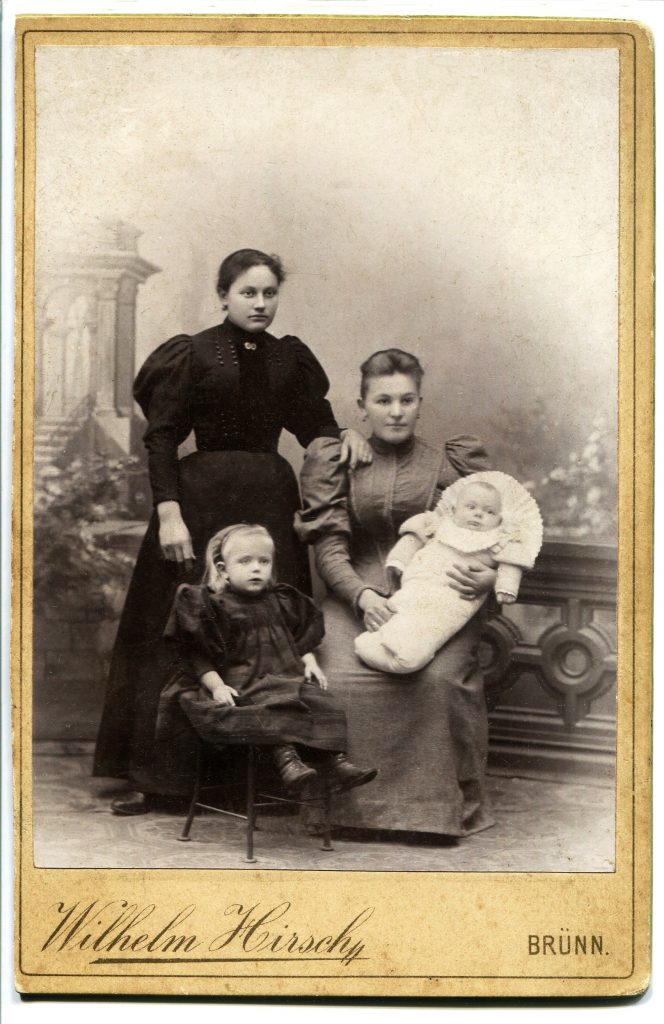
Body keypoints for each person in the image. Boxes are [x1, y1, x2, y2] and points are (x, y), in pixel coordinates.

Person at [93, 248, 370, 814]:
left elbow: (313, 424)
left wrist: (344, 433)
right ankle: (159, 777)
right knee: (180, 625)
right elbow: (162, 436)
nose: (260, 303)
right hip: (198, 502)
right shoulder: (192, 353)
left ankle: (269, 776)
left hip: (268, 504)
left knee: (267, 629)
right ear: (223, 295)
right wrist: (169, 512)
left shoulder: (288, 358)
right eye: (248, 292)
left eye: (269, 293)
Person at [295, 348, 497, 838]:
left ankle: (437, 814)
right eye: (383, 400)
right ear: (362, 406)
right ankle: (341, 812)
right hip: (355, 595)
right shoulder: (337, 461)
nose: (396, 411)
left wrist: (490, 578)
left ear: (420, 403)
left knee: (437, 680)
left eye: (407, 400)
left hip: (441, 597)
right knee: (333, 679)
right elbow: (330, 548)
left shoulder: (449, 465)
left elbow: (500, 536)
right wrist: (362, 596)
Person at [158, 523, 377, 794]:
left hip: (286, 678)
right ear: (224, 570)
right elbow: (199, 657)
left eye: (264, 561)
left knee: (323, 703)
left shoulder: (281, 600)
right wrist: (217, 687)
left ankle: (336, 762)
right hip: (244, 683)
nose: (256, 568)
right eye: (245, 561)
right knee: (272, 708)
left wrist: (309, 662)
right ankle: (288, 762)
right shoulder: (215, 606)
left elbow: (299, 639)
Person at [354, 473, 543, 674]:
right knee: (401, 612)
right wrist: (398, 561)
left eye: (489, 512)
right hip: (419, 585)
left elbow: (510, 566)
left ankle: (407, 655)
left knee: (433, 628)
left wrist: (503, 585)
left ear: (499, 519)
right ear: (454, 510)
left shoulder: (499, 541)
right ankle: (376, 642)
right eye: (471, 507)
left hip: (453, 597)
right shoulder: (438, 524)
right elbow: (412, 540)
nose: (478, 514)